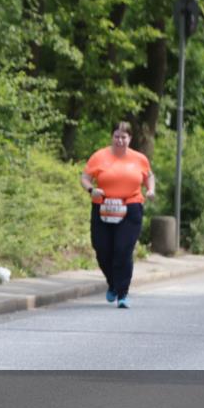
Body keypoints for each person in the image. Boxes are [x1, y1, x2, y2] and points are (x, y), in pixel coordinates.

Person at [79, 122, 156, 309]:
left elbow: (149, 176)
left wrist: (151, 190)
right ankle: (113, 283)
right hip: (103, 206)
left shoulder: (139, 159)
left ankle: (122, 293)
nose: (120, 140)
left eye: (124, 137)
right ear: (112, 137)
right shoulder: (99, 156)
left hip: (131, 206)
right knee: (102, 249)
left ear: (130, 139)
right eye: (116, 136)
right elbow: (85, 177)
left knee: (123, 250)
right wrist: (91, 190)